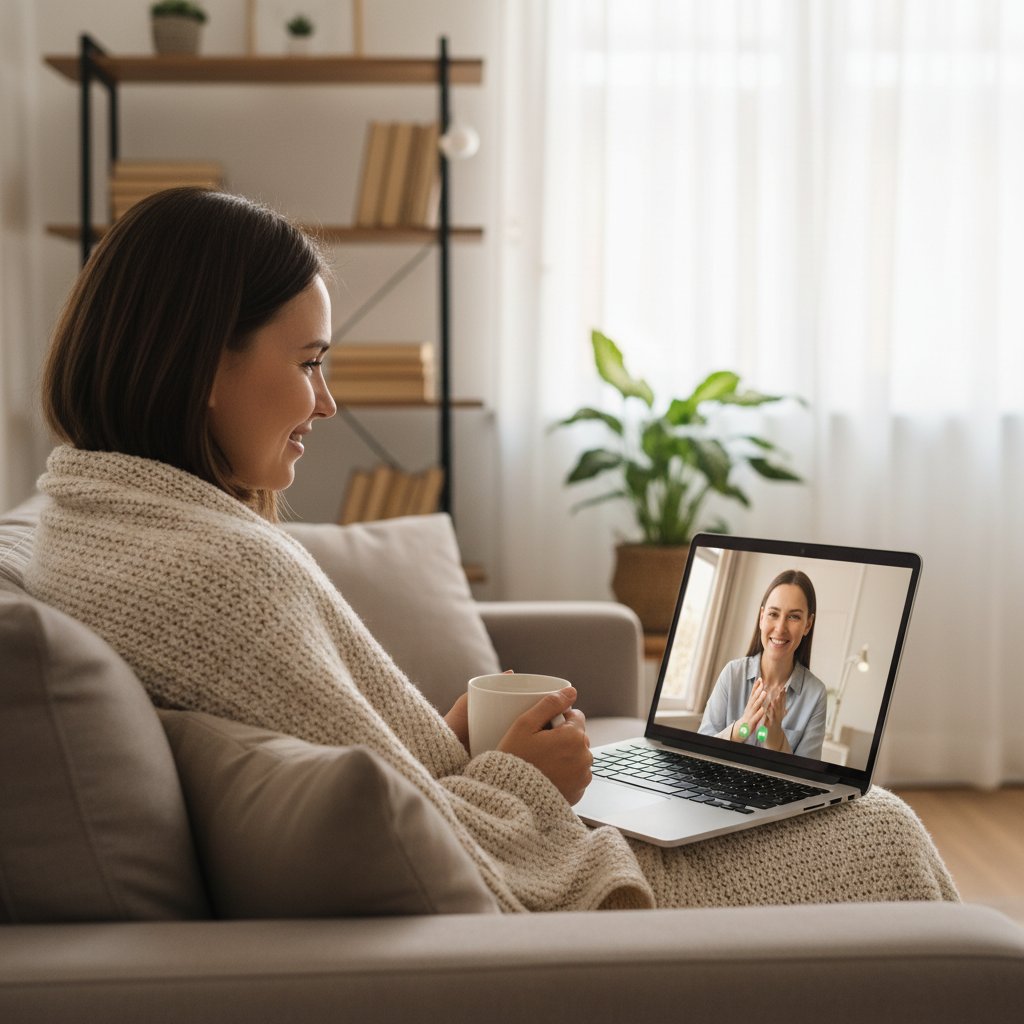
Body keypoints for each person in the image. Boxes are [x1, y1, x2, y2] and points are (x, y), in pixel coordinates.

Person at [25, 188, 957, 913]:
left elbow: (361, 774)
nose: (327, 402)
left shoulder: (92, 525)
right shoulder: (220, 571)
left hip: (493, 829)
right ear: (203, 366)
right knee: (877, 826)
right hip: (537, 880)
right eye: (309, 361)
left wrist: (459, 739)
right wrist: (519, 779)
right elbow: (428, 840)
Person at [699, 570, 828, 759]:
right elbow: (699, 753)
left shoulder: (815, 695)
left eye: (794, 617)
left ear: (808, 624)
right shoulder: (732, 674)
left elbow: (807, 782)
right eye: (773, 614)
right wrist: (741, 729)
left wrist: (777, 743)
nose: (780, 628)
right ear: (761, 617)